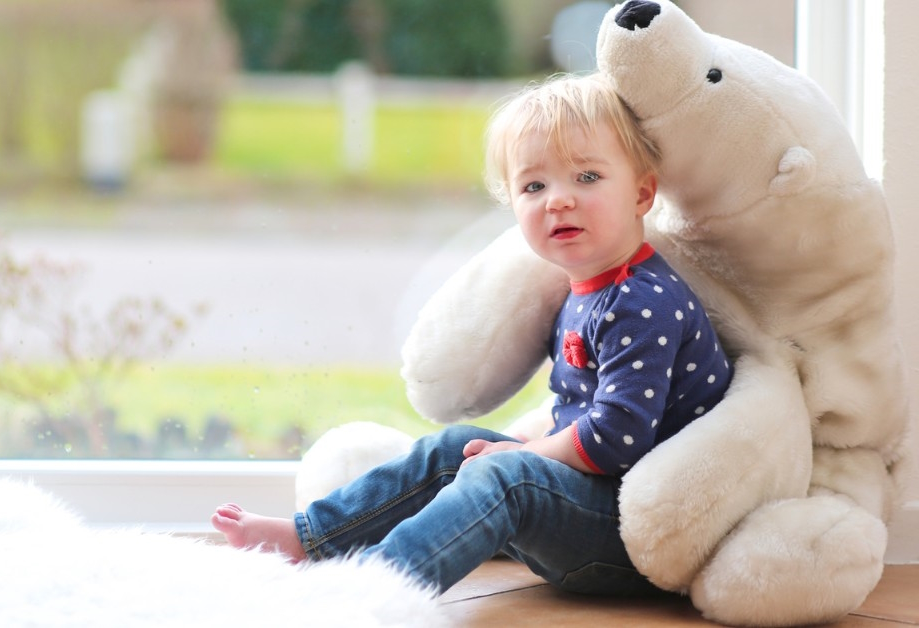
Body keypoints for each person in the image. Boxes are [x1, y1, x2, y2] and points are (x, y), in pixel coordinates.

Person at [211, 73, 733, 596]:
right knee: (458, 449)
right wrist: (519, 449)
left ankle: (376, 592)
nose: (558, 200)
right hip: (592, 498)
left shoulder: (642, 302)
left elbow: (618, 439)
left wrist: (523, 456)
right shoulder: (586, 289)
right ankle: (312, 539)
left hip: (634, 539)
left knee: (503, 476)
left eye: (587, 177)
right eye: (534, 186)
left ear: (642, 193)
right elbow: (577, 413)